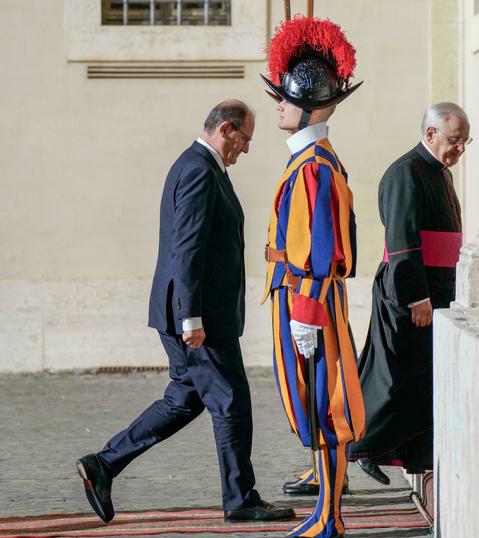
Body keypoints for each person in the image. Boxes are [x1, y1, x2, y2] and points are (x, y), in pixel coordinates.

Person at [75, 100, 294, 524]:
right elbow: (187, 248)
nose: (246, 148)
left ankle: (104, 463)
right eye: (245, 139)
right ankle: (240, 499)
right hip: (199, 317)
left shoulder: (203, 167)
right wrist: (190, 316)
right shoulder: (198, 169)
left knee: (184, 398)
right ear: (226, 129)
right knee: (231, 402)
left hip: (193, 312)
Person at [260, 12, 365, 538]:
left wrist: (303, 311)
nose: (277, 102)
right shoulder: (309, 161)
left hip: (310, 301)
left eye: (284, 95)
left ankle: (330, 518)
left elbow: (320, 251)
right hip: (303, 297)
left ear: (305, 103)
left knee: (327, 408)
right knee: (315, 407)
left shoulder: (315, 166)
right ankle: (326, 511)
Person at [349, 102, 470, 484]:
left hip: (436, 287)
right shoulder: (405, 172)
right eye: (455, 139)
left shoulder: (439, 173)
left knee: (423, 378)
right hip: (411, 292)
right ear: (431, 133)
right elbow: (401, 241)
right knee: (395, 377)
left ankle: (418, 457)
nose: (460, 149)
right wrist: (416, 297)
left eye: (466, 142)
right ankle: (363, 446)